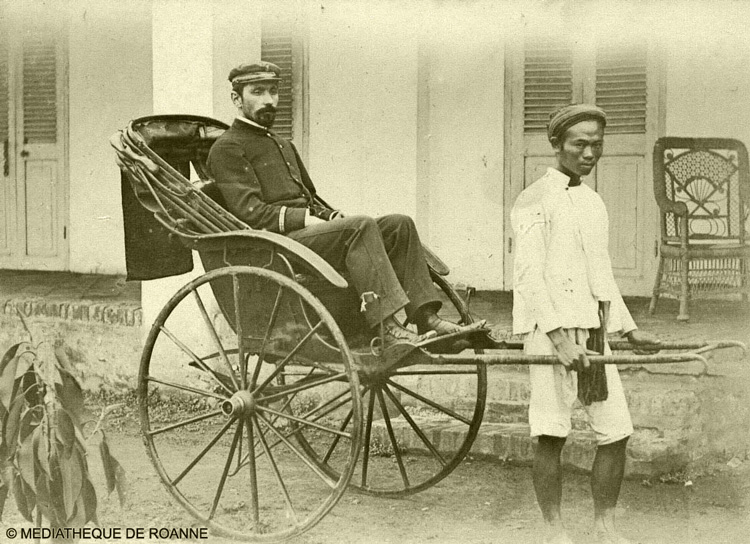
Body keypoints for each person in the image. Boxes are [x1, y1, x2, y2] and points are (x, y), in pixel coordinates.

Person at [207, 61, 483, 348]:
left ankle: (426, 318)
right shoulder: (228, 148)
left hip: (304, 238)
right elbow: (250, 212)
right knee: (359, 226)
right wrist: (308, 220)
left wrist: (330, 215)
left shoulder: (282, 143)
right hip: (277, 245)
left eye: (273, 92)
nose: (269, 100)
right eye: (258, 92)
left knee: (399, 224)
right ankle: (386, 327)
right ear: (237, 99)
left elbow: (310, 198)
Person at [510, 104, 660, 544]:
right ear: (557, 145)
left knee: (616, 432)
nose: (590, 152)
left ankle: (604, 527)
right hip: (550, 332)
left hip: (594, 331)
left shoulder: (593, 202)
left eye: (597, 144)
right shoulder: (533, 199)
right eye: (580, 143)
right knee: (552, 433)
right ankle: (555, 532)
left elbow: (602, 274)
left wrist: (629, 331)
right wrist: (557, 339)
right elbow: (528, 275)